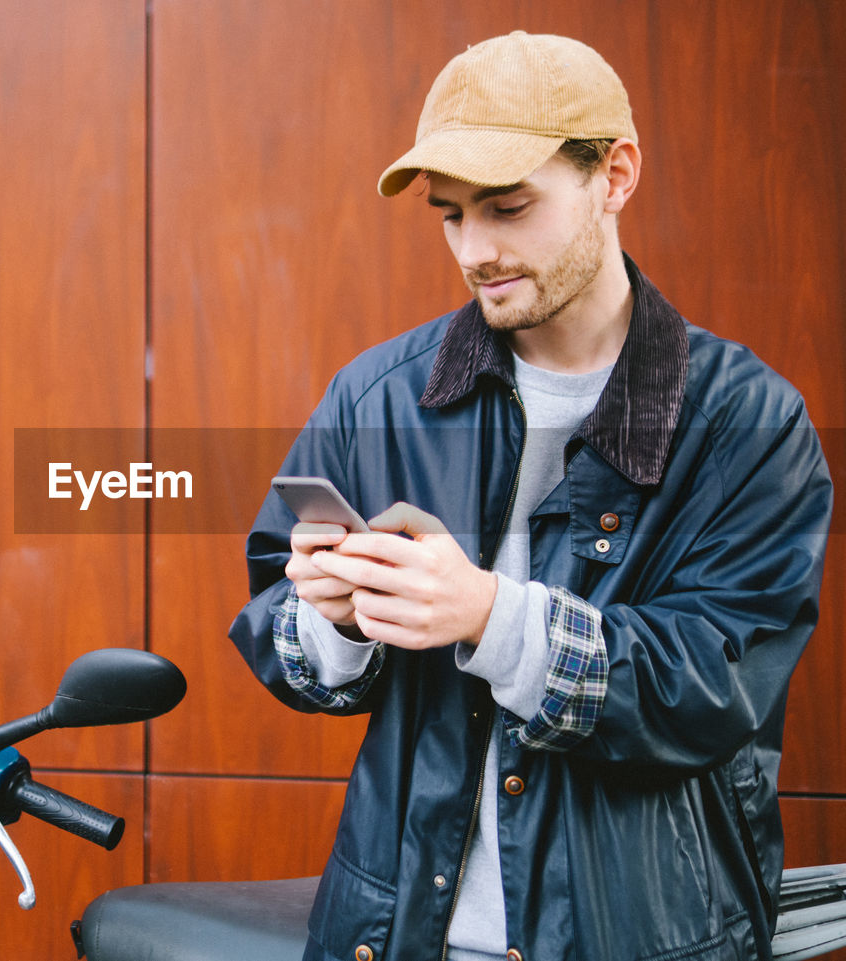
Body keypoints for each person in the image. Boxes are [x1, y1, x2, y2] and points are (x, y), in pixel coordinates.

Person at [229, 31, 833, 961]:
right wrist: (335, 621)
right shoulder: (377, 394)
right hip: (394, 937)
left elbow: (713, 687)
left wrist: (486, 614)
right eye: (451, 215)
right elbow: (277, 626)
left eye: (509, 207)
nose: (476, 250)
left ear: (616, 174)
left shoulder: (748, 422)